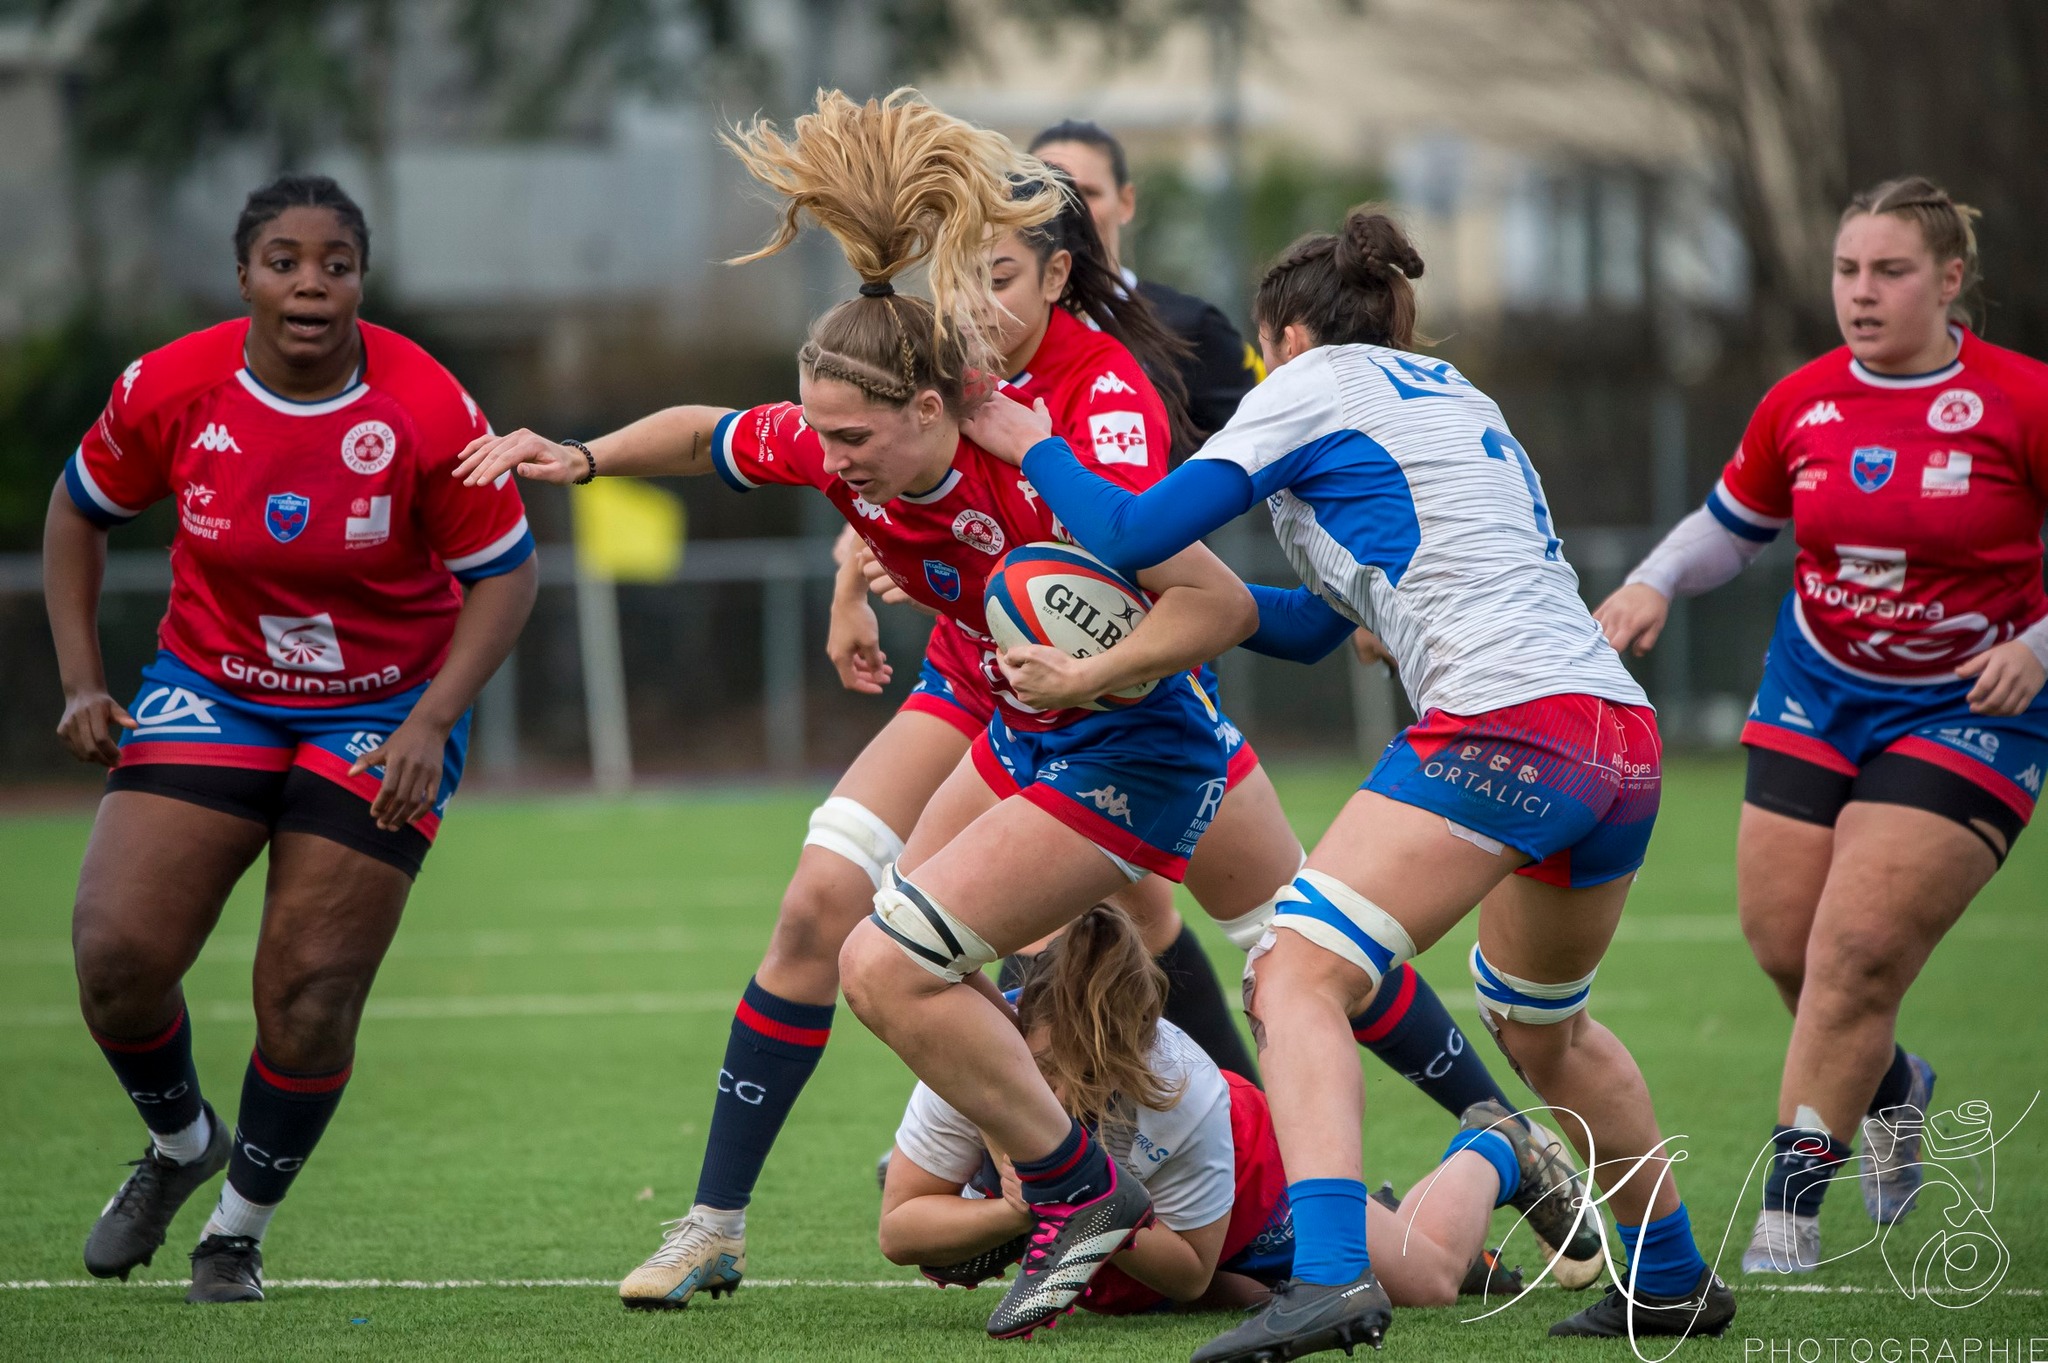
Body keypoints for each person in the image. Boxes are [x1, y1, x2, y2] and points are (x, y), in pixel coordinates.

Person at [452, 90, 1257, 1337]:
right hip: (1019, 726)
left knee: (1253, 947)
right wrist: (582, 454)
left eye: (849, 440)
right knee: (839, 927)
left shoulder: (1034, 453)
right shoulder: (839, 431)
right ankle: (747, 1218)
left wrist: (1086, 670)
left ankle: (1139, 1194)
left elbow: (1213, 605)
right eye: (816, 434)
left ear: (931, 413)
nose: (822, 462)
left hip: (1127, 744)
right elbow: (705, 431)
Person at [962, 205, 1737, 1356]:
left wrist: (1026, 441)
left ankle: (1327, 1276)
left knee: (1292, 972)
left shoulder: (1306, 386)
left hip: (1506, 726)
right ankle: (1670, 1277)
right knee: (1546, 1033)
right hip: (1611, 739)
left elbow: (1126, 529)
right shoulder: (1452, 394)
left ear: (1279, 335)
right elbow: (1306, 627)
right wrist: (1146, 636)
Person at [832, 172, 1521, 1133]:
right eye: (960, 277)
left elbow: (1137, 549)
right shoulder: (957, 378)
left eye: (995, 273)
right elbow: (1293, 618)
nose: (973, 301)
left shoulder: (1117, 380)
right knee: (974, 924)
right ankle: (1052, 1146)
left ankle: (1139, 1174)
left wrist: (1035, 454)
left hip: (1147, 713)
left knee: (1286, 953)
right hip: (1034, 707)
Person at [46, 174, 537, 1303]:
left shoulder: (425, 407)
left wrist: (428, 722)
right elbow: (80, 510)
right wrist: (82, 681)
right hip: (213, 684)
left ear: (362, 279)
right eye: (284, 260)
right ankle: (179, 1145)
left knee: (310, 988)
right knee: (117, 958)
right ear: (244, 277)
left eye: (336, 262)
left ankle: (236, 1230)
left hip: (380, 707)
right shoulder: (172, 386)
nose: (311, 283)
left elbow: (504, 577)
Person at [1594, 177, 2048, 1276]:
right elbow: (1730, 524)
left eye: (1888, 271)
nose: (1860, 292)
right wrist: (1651, 582)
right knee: (1783, 945)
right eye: (1846, 270)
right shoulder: (1800, 400)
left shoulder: (2020, 400)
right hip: (1814, 688)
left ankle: (1786, 1216)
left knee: (1851, 957)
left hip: (1966, 707)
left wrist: (2034, 647)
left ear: (1947, 282)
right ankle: (1894, 1085)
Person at [879, 903, 1583, 1323]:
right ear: (1018, 1020)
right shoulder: (975, 1056)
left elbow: (1188, 1269)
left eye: (1084, 1076)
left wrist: (1083, 1193)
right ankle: (1380, 1214)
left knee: (1426, 1283)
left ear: (1129, 1057)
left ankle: (1496, 1147)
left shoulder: (1181, 1087)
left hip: (1243, 1187)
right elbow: (901, 1226)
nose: (1057, 1091)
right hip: (1134, 1231)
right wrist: (1020, 1209)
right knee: (1240, 1294)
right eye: (1042, 1064)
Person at [1029, 119, 1263, 456]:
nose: (1072, 209)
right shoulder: (997, 331)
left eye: (1089, 193)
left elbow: (1269, 441)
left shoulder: (1191, 327)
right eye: (1052, 192)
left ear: (1126, 202)